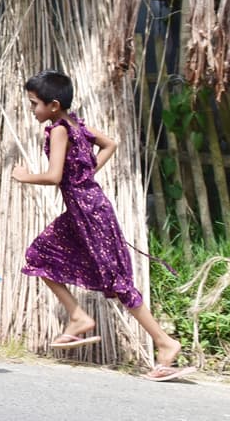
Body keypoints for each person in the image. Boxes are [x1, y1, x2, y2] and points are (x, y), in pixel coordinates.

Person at [11, 70, 194, 382]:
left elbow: (54, 176)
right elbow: (110, 143)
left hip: (87, 212)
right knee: (39, 256)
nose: (32, 110)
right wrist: (85, 174)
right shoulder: (76, 125)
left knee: (116, 280)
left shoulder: (58, 130)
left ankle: (165, 343)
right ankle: (79, 316)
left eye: (34, 104)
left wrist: (24, 176)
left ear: (53, 105)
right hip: (89, 208)